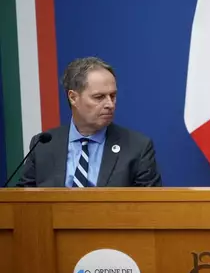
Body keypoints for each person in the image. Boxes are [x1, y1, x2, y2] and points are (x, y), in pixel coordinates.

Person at [16, 57, 162, 187]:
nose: (110, 104)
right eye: (99, 97)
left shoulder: (137, 147)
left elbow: (149, 208)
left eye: (113, 96)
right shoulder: (43, 145)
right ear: (73, 97)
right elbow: (21, 202)